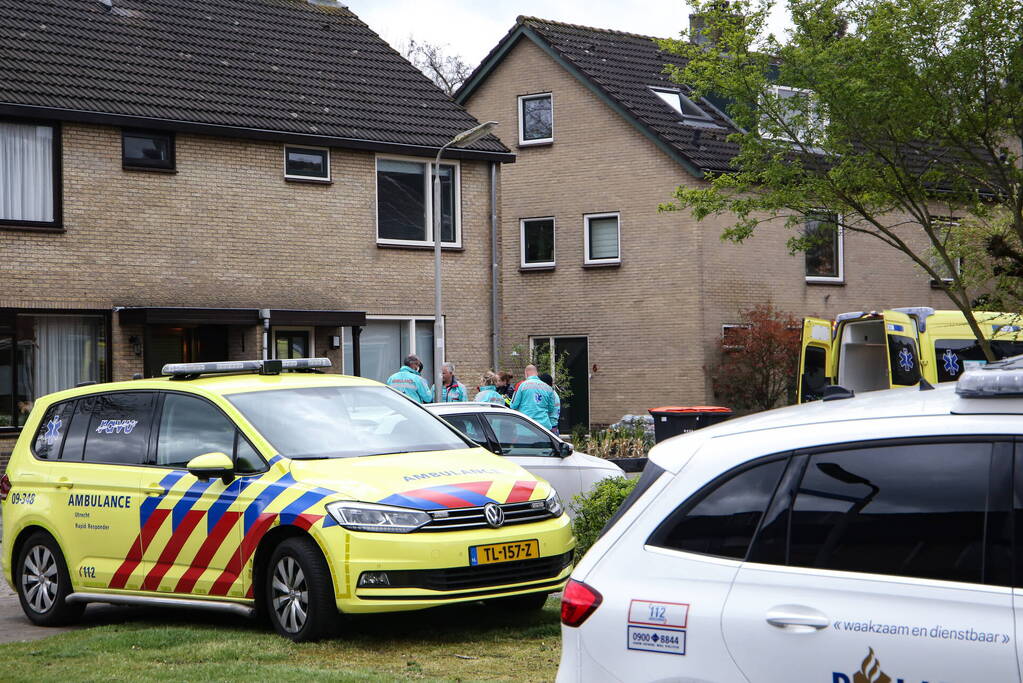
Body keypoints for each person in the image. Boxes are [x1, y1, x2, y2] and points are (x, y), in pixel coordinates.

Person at [509, 364, 560, 430]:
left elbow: (513, 405)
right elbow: (551, 408)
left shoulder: (522, 386)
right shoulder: (548, 388)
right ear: (537, 373)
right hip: (543, 427)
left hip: (526, 426)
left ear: (526, 373)